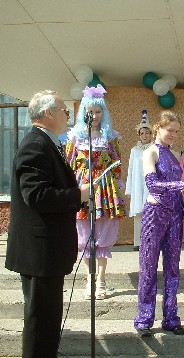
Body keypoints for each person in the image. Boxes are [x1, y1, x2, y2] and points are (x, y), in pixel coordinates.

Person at [5, 90, 91, 358]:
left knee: (48, 319)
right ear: (49, 113)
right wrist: (79, 195)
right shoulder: (35, 145)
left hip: (47, 251)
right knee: (41, 322)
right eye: (65, 111)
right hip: (39, 251)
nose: (68, 116)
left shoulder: (47, 142)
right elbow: (37, 195)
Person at [134, 110, 184, 338]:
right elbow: (153, 184)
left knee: (173, 268)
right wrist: (182, 186)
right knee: (148, 266)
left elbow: (182, 190)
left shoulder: (177, 155)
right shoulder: (150, 152)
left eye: (177, 132)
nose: (173, 135)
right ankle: (144, 320)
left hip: (175, 214)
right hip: (155, 213)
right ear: (158, 127)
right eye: (170, 130)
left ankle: (171, 317)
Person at [65, 84, 126, 300]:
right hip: (83, 189)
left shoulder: (111, 137)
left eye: (99, 111)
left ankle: (101, 279)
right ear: (83, 112)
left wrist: (117, 190)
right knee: (85, 235)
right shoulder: (74, 137)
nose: (95, 115)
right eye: (90, 111)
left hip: (105, 191)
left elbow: (118, 166)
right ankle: (88, 279)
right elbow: (68, 166)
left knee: (103, 235)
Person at [125, 109, 153, 251]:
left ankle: (150, 240)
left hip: (149, 184)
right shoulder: (134, 150)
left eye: (147, 132)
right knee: (139, 213)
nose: (144, 135)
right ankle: (138, 241)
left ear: (151, 134)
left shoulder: (154, 148)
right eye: (142, 133)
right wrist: (129, 188)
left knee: (150, 211)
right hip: (138, 184)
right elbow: (130, 169)